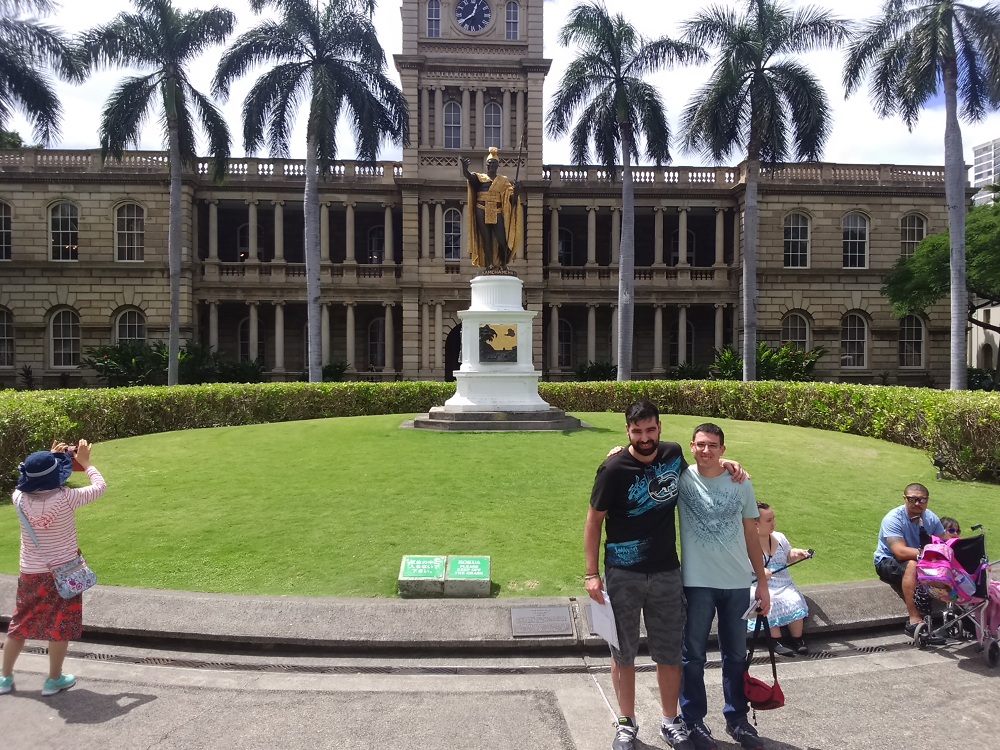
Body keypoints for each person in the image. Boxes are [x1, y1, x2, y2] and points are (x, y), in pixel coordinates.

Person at [585, 402, 746, 750]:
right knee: (622, 652)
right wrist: (591, 574)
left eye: (650, 430)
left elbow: (701, 473)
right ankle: (626, 724)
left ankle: (670, 721)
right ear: (627, 430)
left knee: (669, 653)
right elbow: (594, 521)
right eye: (637, 431)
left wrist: (727, 464)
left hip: (666, 573)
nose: (645, 438)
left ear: (660, 427)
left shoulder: (673, 455)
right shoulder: (612, 469)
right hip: (622, 572)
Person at [677, 423, 770, 750]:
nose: (706, 451)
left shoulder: (740, 482)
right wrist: (617, 452)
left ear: (723, 449)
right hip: (697, 582)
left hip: (735, 582)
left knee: (734, 654)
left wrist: (761, 582)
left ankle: (737, 719)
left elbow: (751, 534)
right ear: (691, 446)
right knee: (693, 657)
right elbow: (645, 459)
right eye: (700, 445)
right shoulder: (682, 477)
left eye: (712, 445)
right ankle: (693, 721)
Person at [1, 440, 107, 697]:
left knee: (20, 623)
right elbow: (100, 487)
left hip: (31, 573)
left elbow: (26, 481)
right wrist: (86, 462)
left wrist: (49, 458)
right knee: (60, 625)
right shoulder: (67, 498)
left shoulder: (18, 499)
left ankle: (4, 678)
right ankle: (53, 679)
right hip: (65, 574)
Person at [873, 482, 945, 635]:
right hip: (888, 562)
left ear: (927, 500)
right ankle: (914, 620)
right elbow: (900, 552)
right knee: (912, 564)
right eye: (913, 499)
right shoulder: (893, 518)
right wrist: (929, 554)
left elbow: (942, 543)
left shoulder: (931, 518)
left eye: (922, 500)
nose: (917, 503)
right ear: (905, 499)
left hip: (921, 561)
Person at [748, 502, 810, 656]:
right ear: (755, 524)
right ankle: (776, 640)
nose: (773, 523)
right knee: (770, 601)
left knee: (793, 598)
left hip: (783, 583)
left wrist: (796, 554)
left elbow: (788, 555)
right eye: (768, 521)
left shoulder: (779, 537)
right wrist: (761, 572)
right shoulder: (747, 542)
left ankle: (798, 639)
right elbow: (744, 566)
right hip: (760, 585)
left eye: (773, 519)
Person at [460, 146, 522, 272]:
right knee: (486, 239)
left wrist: (517, 190)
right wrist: (465, 170)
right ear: (486, 165)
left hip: (497, 210)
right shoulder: (480, 178)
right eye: (489, 163)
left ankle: (503, 263)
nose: (491, 166)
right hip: (481, 209)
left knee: (502, 240)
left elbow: (512, 199)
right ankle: (489, 264)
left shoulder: (502, 181)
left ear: (497, 165)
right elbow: (470, 178)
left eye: (494, 163)